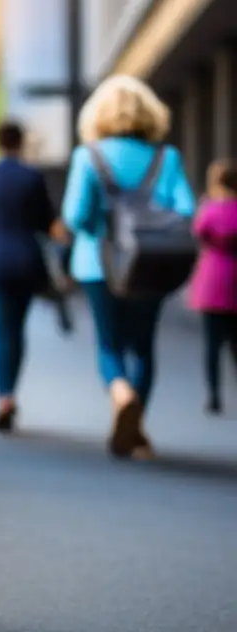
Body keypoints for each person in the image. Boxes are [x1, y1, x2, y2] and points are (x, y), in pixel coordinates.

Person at [61, 75, 195, 459]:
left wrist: (103, 229)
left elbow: (75, 216)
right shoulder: (166, 158)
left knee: (109, 342)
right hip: (150, 262)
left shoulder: (88, 155)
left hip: (98, 263)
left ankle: (121, 394)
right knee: (143, 345)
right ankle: (137, 430)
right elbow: (185, 210)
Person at [0, 120, 64, 432]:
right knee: (16, 330)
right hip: (24, 260)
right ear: (20, 143)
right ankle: (11, 392)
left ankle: (2, 396)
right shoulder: (33, 177)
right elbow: (48, 222)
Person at [189, 159, 237, 415]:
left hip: (212, 280)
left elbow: (197, 233)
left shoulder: (209, 208)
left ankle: (214, 395)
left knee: (212, 345)